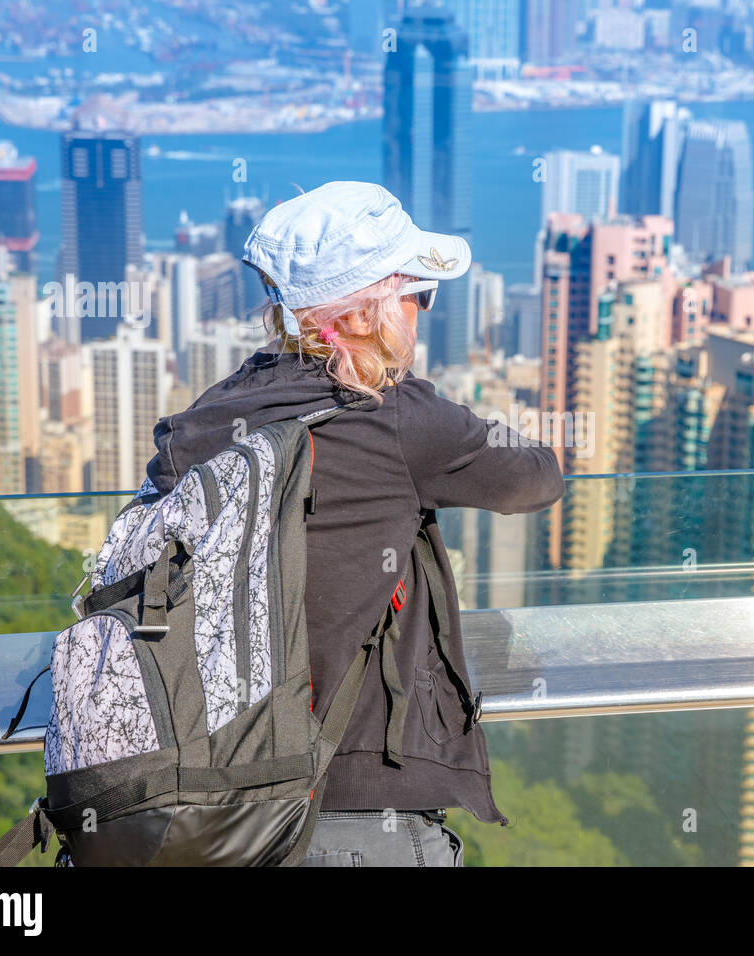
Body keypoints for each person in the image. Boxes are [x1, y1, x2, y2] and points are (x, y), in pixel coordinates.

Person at [144, 181, 565, 866]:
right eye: (418, 294)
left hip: (212, 812)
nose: (423, 311)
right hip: (358, 817)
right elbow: (536, 477)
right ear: (369, 314)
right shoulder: (400, 420)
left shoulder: (207, 418)